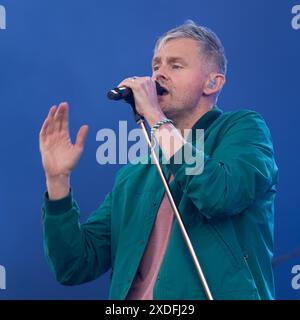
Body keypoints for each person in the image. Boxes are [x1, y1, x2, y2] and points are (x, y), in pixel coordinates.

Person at [39, 20, 278, 300]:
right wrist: (58, 182)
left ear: (213, 82)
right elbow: (74, 266)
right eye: (156, 66)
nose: (158, 76)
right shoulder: (135, 172)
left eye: (175, 66)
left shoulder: (244, 129)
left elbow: (220, 194)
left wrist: (155, 117)